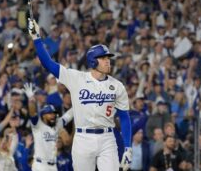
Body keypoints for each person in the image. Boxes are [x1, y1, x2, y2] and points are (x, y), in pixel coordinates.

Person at [28, 20, 132, 171]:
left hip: (107, 138)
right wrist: (36, 37)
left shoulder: (117, 86)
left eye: (108, 58)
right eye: (103, 58)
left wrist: (128, 147)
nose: (108, 61)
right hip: (83, 138)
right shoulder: (76, 78)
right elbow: (47, 63)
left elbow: (124, 117)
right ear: (92, 61)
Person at [23, 83, 73, 171]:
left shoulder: (57, 124)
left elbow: (69, 115)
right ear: (43, 116)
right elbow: (32, 112)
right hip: (40, 165)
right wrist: (31, 99)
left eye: (54, 113)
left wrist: (79, 102)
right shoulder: (37, 125)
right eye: (50, 113)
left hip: (53, 166)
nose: (53, 115)